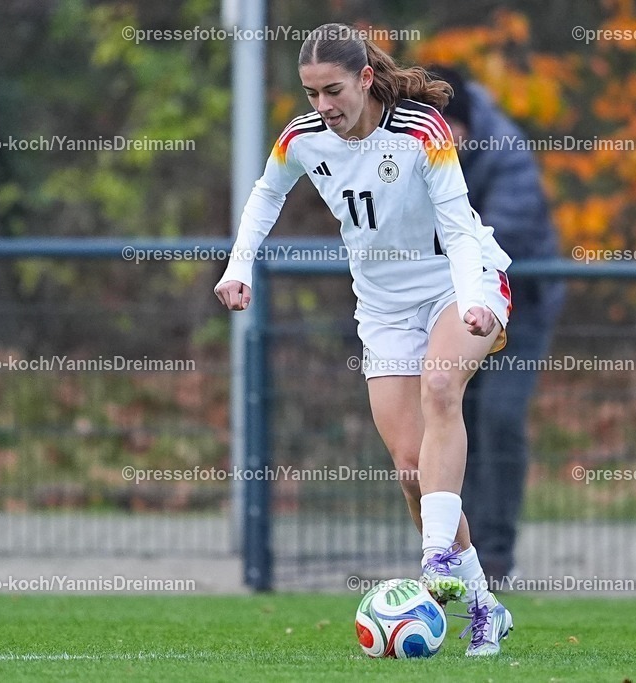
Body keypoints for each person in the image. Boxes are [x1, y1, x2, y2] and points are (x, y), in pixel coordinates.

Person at [215, 23, 514, 655]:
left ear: (366, 79)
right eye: (311, 93)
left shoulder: (422, 132)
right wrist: (239, 267)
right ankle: (484, 605)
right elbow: (265, 196)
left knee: (441, 386)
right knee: (412, 469)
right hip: (381, 309)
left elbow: (460, 228)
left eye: (333, 90)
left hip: (457, 284)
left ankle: (435, 560)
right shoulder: (302, 140)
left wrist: (477, 302)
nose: (322, 106)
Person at [427, 66, 566, 590]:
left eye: (449, 134)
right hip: (450, 302)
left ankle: (497, 553)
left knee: (499, 419)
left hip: (517, 304)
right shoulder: (411, 147)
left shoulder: (505, 152)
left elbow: (500, 234)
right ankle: (455, 549)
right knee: (448, 412)